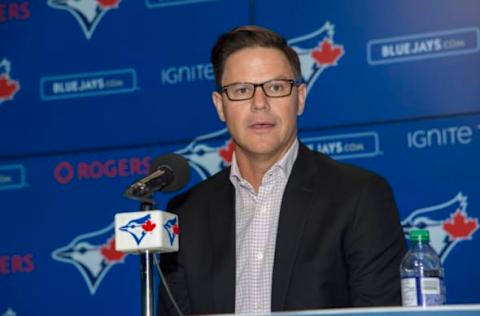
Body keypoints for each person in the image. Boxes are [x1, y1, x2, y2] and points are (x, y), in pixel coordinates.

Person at [158, 25, 406, 315]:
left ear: (299, 98)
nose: (259, 104)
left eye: (275, 87)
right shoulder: (187, 215)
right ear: (220, 107)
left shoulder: (359, 196)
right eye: (241, 90)